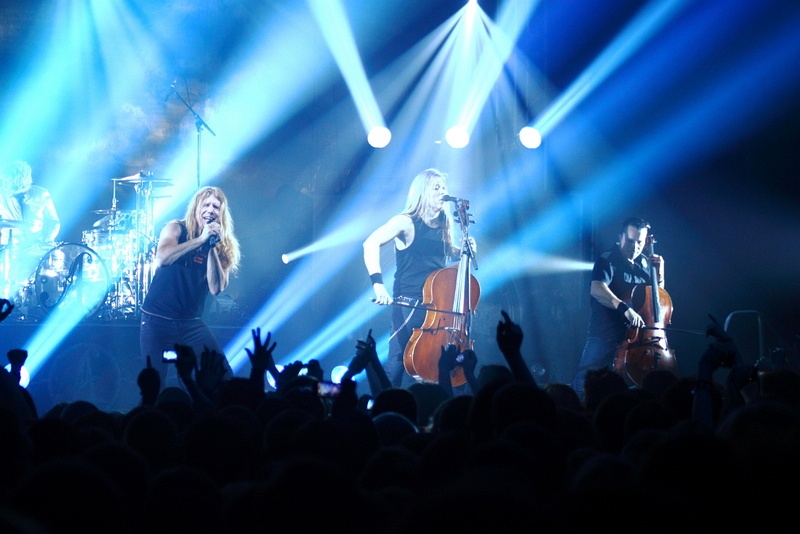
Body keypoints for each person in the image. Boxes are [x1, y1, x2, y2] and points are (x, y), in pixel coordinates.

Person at [363, 168, 472, 388]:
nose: (442, 192)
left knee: (438, 363)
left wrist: (462, 249)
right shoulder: (405, 221)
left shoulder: (444, 224)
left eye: (444, 187)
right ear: (422, 191)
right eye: (436, 187)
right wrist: (378, 285)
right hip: (409, 303)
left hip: (439, 307)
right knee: (396, 362)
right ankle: (383, 407)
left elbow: (442, 251)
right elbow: (370, 243)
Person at [139, 186, 241, 388]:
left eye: (216, 207)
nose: (211, 210)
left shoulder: (223, 245)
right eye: (206, 205)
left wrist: (210, 247)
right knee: (153, 382)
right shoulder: (176, 229)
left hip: (190, 324)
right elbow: (163, 258)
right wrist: (200, 240)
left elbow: (216, 288)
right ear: (196, 208)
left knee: (223, 375)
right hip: (156, 320)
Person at [571, 217, 665, 399]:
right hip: (605, 334)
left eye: (639, 242)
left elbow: (658, 300)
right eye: (630, 241)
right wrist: (625, 309)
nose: (635, 247)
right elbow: (597, 288)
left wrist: (659, 273)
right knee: (584, 380)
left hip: (636, 340)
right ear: (621, 237)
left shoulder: (646, 264)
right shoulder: (607, 259)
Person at [0, 161, 61, 299]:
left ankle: (44, 300)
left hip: (35, 245)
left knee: (52, 267)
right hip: (8, 247)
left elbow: (54, 221)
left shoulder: (41, 194)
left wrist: (49, 238)